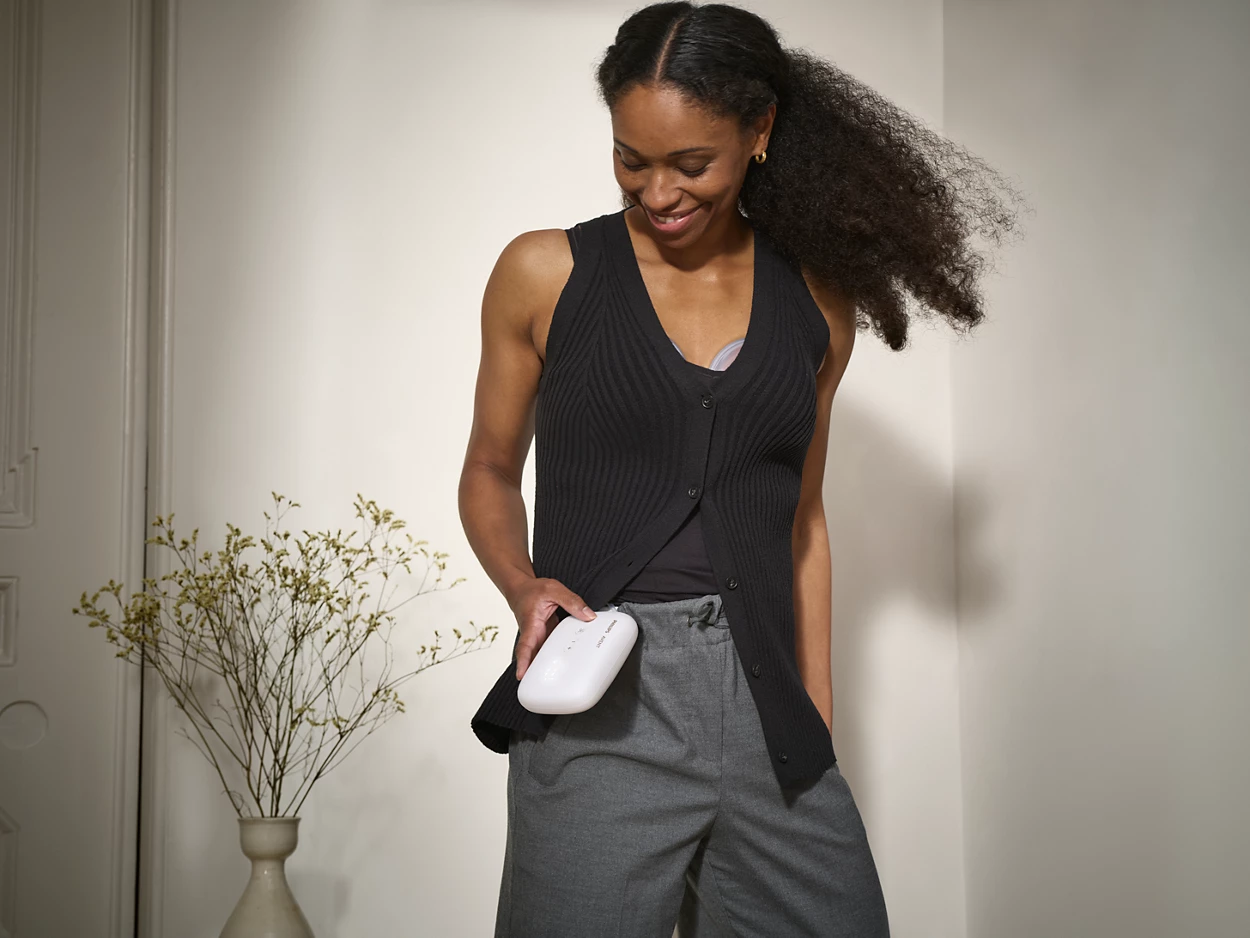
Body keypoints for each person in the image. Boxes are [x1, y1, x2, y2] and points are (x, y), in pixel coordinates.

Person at [458, 3, 1025, 935]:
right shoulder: (545, 272)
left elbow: (803, 525)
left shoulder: (816, 300)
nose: (658, 192)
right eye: (630, 159)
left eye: (691, 164)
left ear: (760, 131)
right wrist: (523, 586)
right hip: (602, 705)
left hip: (764, 696)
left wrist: (815, 719)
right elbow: (488, 468)